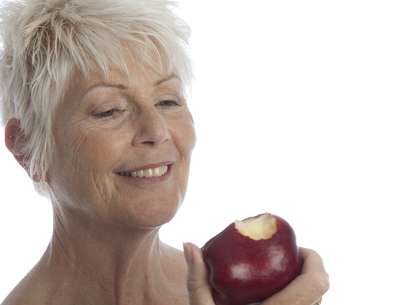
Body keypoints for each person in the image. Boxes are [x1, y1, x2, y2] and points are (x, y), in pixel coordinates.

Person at [0, 0, 329, 304]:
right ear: (26, 148)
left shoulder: (232, 294)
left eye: (168, 101)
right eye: (109, 110)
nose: (157, 131)